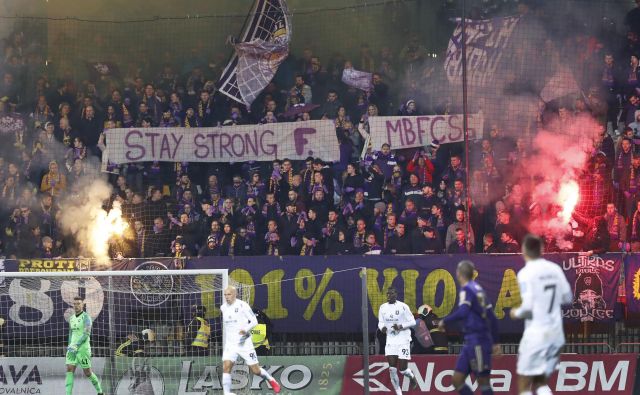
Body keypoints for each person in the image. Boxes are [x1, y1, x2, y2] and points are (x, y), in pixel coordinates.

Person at [510, 234, 572, 395]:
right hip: (556, 335)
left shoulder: (525, 273)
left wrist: (516, 313)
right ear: (542, 250)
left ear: (524, 251)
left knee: (524, 380)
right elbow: (567, 297)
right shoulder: (555, 269)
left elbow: (528, 306)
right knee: (540, 383)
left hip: (537, 333)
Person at [439, 261, 500, 395]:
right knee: (457, 380)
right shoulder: (479, 290)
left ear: (459, 274)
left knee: (483, 382)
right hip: (470, 342)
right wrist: (495, 341)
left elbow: (463, 312)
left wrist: (444, 321)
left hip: (478, 340)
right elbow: (493, 318)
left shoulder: (467, 289)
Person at [220, 286, 281, 394]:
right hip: (230, 344)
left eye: (229, 294)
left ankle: (271, 380)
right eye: (225, 294)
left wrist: (245, 329)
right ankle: (226, 393)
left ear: (235, 294)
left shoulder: (243, 305)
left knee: (255, 370)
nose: (226, 297)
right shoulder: (223, 308)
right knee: (226, 367)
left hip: (244, 343)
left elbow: (254, 321)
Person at [377, 287, 418, 394]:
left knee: (403, 369)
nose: (391, 295)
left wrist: (400, 326)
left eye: (393, 293)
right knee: (392, 369)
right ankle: (398, 392)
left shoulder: (403, 307)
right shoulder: (382, 307)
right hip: (390, 341)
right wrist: (382, 328)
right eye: (389, 293)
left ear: (396, 294)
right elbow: (380, 322)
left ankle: (411, 376)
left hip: (403, 340)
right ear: (387, 295)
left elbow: (413, 322)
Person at [65, 296, 104, 395]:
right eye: (75, 304)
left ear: (82, 305)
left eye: (78, 303)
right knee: (69, 370)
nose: (76, 305)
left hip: (83, 349)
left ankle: (100, 392)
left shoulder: (86, 317)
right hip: (72, 349)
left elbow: (86, 333)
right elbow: (71, 333)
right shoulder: (71, 318)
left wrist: (76, 345)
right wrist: (69, 345)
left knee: (88, 373)